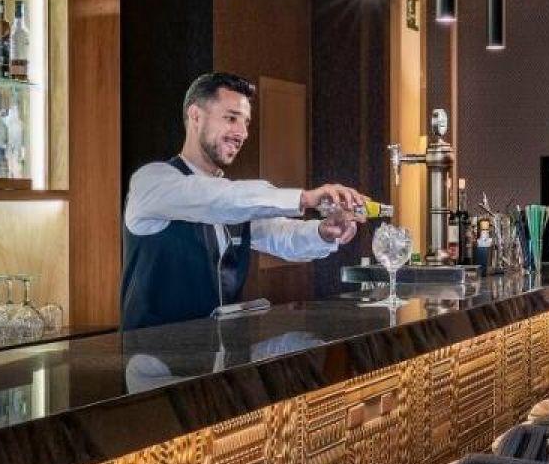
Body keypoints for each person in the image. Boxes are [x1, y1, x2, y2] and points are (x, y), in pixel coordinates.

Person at [121, 71, 366, 330]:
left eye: (246, 122)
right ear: (195, 116)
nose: (243, 133)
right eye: (231, 118)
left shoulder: (234, 201)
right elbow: (214, 198)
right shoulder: (151, 182)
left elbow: (279, 234)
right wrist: (305, 198)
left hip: (218, 350)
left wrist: (324, 232)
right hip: (154, 352)